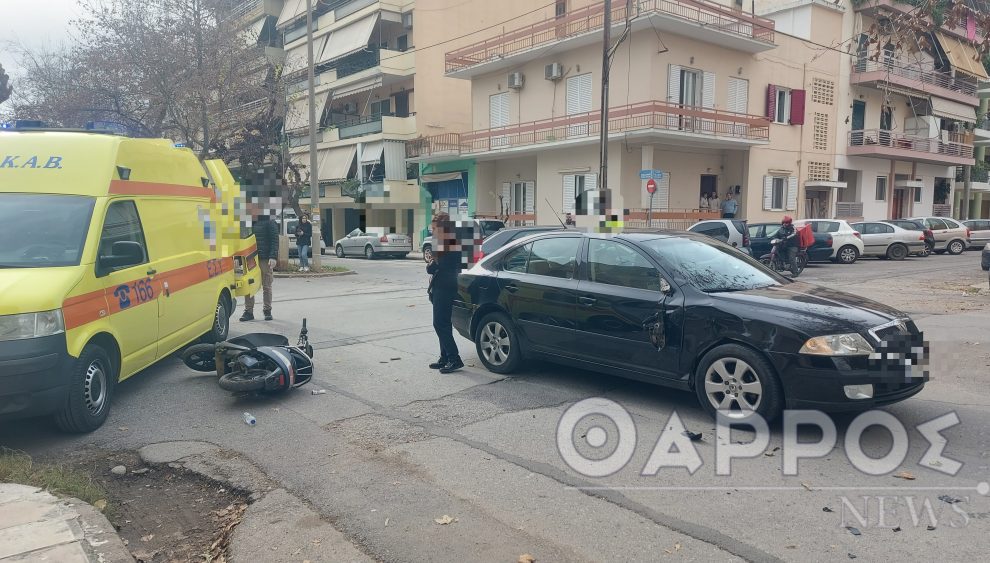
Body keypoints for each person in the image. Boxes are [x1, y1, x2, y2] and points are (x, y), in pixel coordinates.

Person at [426, 213, 464, 374]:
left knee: (440, 323)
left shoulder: (446, 244)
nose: (432, 230)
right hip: (446, 284)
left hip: (444, 286)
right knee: (444, 323)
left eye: (434, 228)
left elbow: (433, 267)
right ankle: (445, 357)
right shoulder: (451, 241)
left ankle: (454, 358)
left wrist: (431, 263)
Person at [241, 212, 278, 321]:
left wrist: (273, 257)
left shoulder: (269, 220)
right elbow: (242, 240)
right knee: (249, 285)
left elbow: (274, 240)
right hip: (250, 258)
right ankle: (248, 311)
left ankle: (267, 310)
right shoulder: (247, 221)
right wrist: (239, 258)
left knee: (266, 285)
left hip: (265, 258)